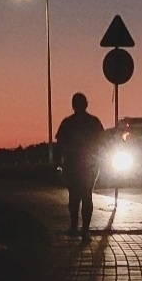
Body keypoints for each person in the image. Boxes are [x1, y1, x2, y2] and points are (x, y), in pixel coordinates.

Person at [54, 93, 105, 239]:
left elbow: (60, 145)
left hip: (74, 164)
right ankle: (84, 230)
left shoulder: (68, 123)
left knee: (75, 197)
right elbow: (101, 143)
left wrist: (58, 163)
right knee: (86, 196)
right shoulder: (93, 122)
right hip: (88, 165)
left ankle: (75, 226)